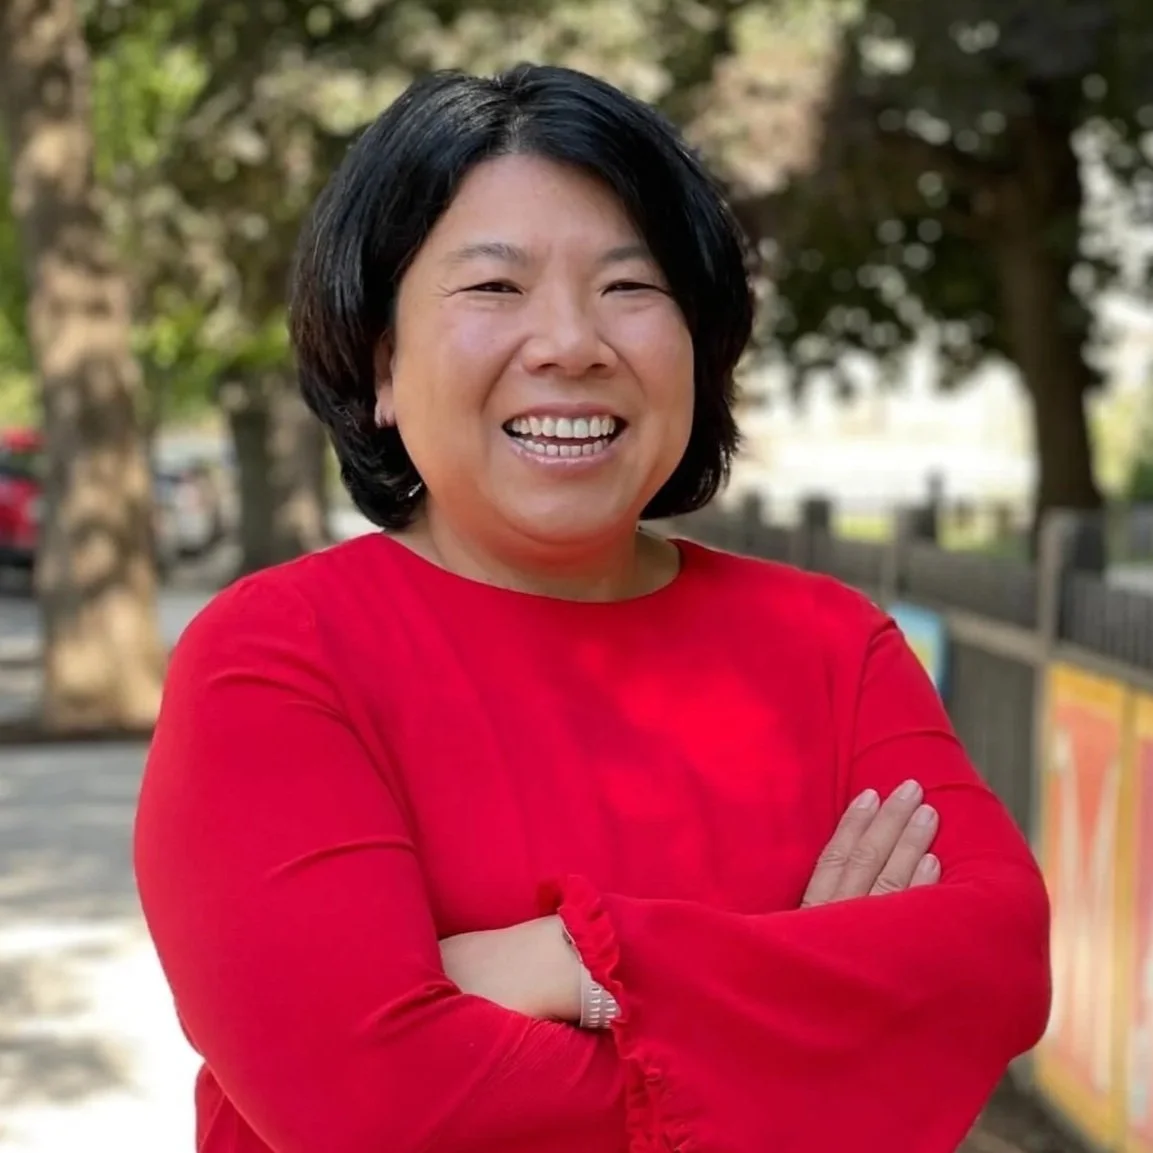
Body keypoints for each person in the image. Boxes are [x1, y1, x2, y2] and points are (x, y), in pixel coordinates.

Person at [133, 63, 1051, 1153]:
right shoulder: (277, 658)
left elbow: (994, 967)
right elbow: (377, 1110)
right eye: (493, 288)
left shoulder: (827, 645)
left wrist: (569, 965)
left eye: (630, 286)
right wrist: (811, 1011)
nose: (571, 341)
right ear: (381, 362)